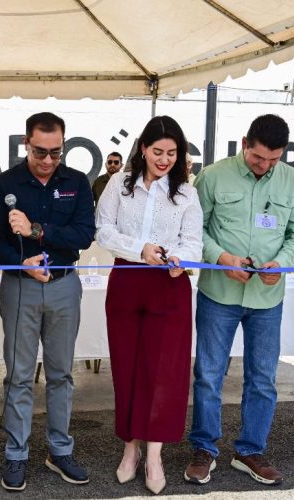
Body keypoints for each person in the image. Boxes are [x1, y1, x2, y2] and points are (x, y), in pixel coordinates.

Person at [185, 114, 294, 487]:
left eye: (274, 159)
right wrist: (223, 259)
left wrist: (282, 264)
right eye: (258, 158)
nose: (265, 166)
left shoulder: (291, 180)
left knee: (262, 378)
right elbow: (194, 231)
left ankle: (250, 450)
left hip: (267, 297)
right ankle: (204, 448)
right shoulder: (212, 175)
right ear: (244, 143)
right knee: (209, 373)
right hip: (218, 293)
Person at [0, 112, 95, 491]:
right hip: (20, 286)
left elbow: (84, 235)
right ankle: (16, 452)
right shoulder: (4, 184)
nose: (48, 160)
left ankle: (59, 449)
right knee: (18, 374)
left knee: (62, 373)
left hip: (65, 285)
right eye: (40, 152)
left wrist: (37, 230)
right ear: (25, 144)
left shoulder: (77, 182)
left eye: (56, 152)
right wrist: (22, 261)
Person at [96, 115, 203, 495]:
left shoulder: (187, 192)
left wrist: (179, 259)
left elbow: (194, 241)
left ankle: (154, 453)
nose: (164, 159)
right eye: (158, 151)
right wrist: (138, 249)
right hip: (127, 279)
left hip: (169, 286)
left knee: (163, 372)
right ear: (142, 148)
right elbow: (103, 228)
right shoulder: (118, 184)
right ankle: (130, 447)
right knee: (128, 367)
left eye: (172, 153)